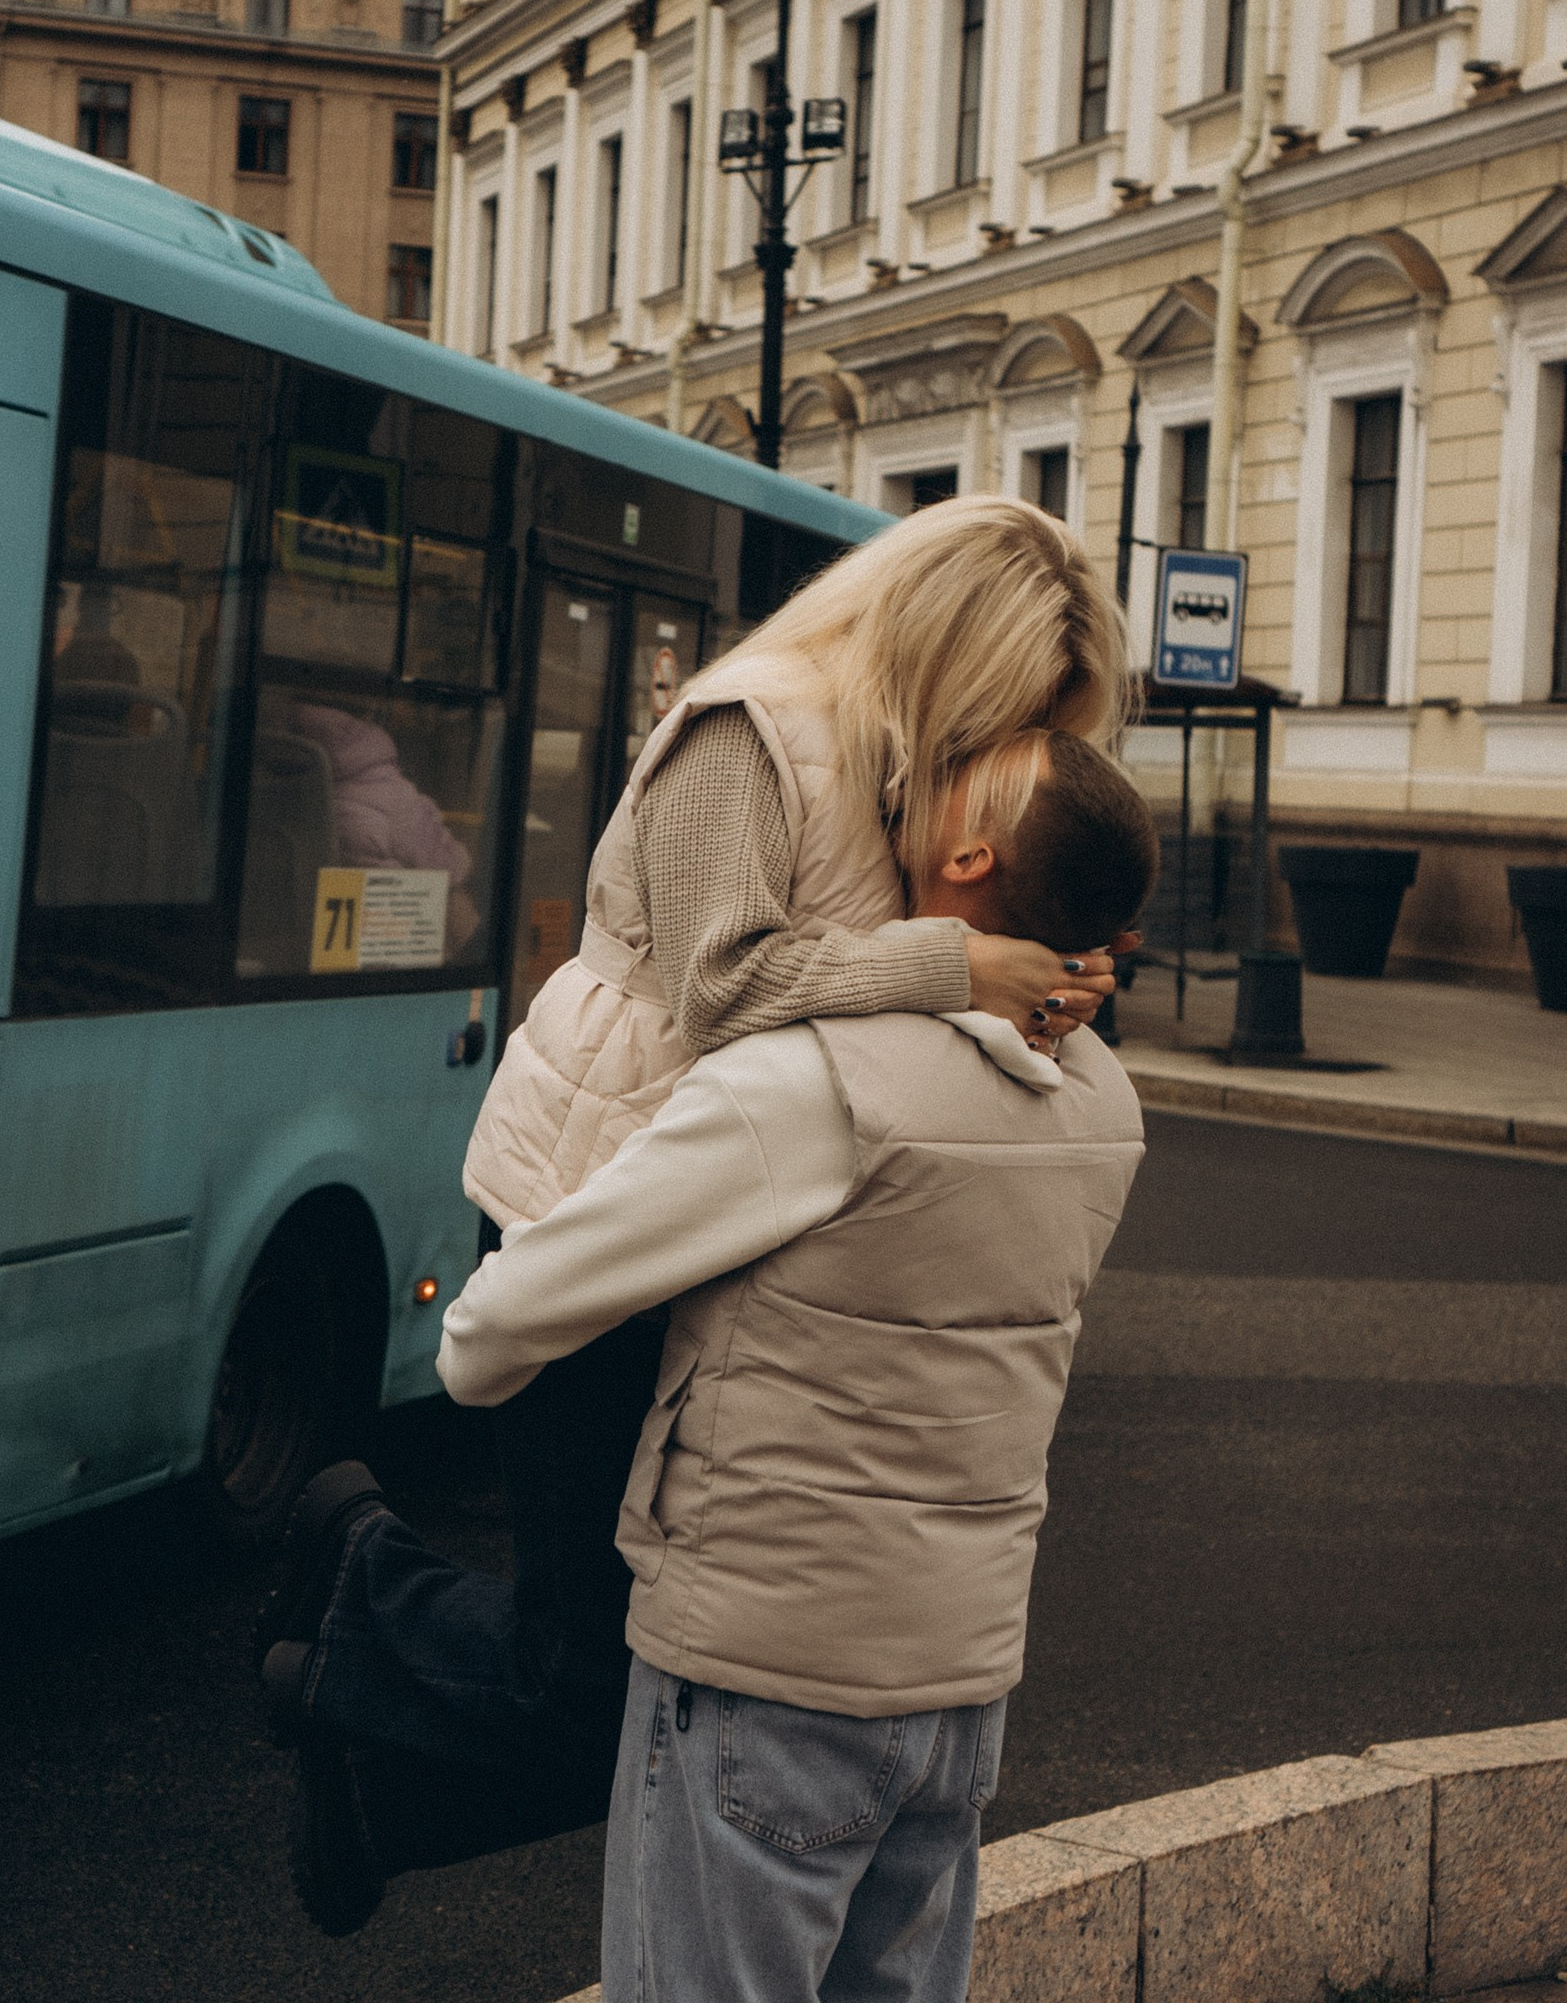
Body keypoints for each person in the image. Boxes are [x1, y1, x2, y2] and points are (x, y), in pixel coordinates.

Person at [254, 498, 1138, 1928]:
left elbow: (890, 990)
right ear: (950, 652)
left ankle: (366, 1773)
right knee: (603, 1673)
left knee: (651, 1668)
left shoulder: (902, 765)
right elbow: (727, 990)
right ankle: (358, 1578)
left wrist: (1047, 979)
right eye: (1018, 708)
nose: (1018, 747)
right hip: (598, 1194)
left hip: (736, 1219)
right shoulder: (749, 725)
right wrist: (957, 971)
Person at [423, 728, 1153, 1991]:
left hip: (767, 1676)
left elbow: (500, 1322)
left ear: (969, 851)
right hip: (959, 1690)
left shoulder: (813, 1084)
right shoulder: (1103, 1106)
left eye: (976, 761)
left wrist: (485, 1356)